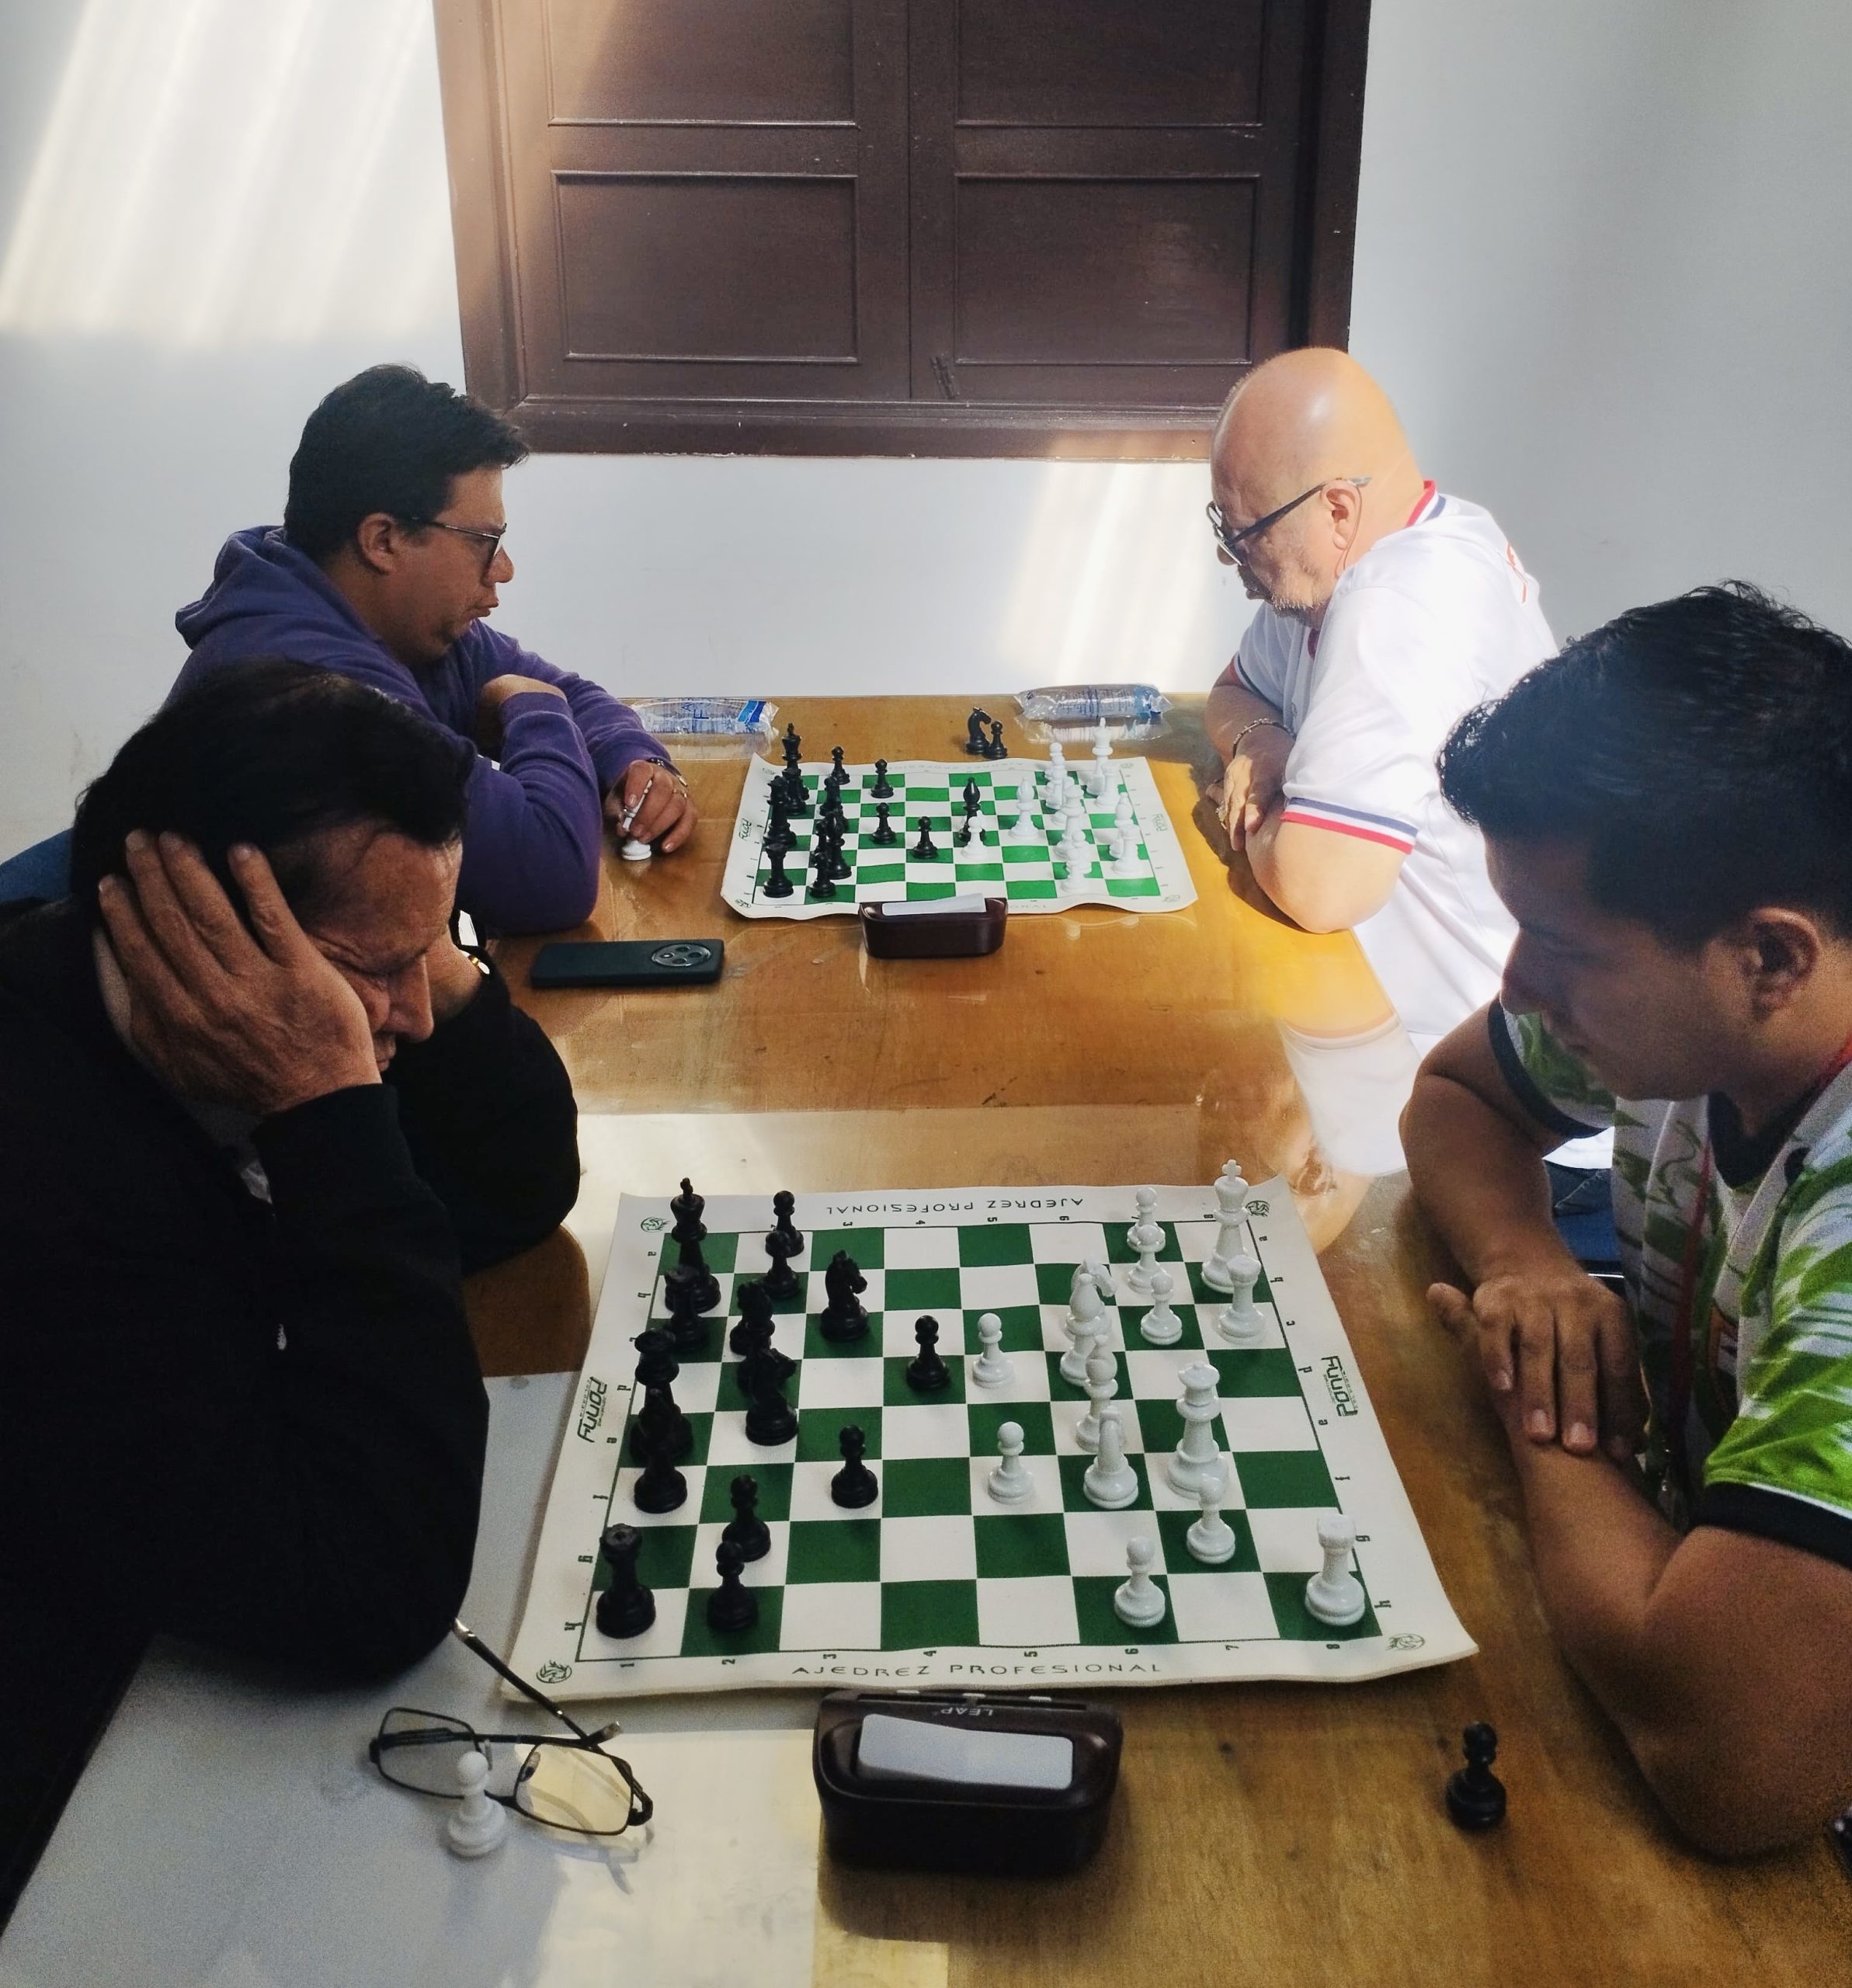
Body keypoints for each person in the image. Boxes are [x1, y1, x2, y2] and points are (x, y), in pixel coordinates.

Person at [0, 662, 580, 1902]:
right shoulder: (42, 1175)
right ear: (203, 942)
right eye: (373, 968)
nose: (413, 1015)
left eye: (432, 954)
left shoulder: (208, 1017)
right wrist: (326, 1105)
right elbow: (370, 1585)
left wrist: (413, 952)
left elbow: (521, 1186)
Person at [1402, 584, 1852, 1854]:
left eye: (1560, 946)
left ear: (1771, 958)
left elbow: (1732, 1764)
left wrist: (1540, 1399)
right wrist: (1529, 1267)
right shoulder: (1698, 1019)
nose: (1515, 986)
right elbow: (1455, 1098)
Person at [171, 364, 696, 934]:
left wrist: (634, 761)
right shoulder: (309, 696)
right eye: (485, 542)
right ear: (383, 541)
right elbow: (552, 879)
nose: (504, 569)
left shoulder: (391, 623)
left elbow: (575, 694)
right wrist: (533, 703)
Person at [1204, 348, 1556, 1055]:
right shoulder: (1337, 568)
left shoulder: (1396, 602)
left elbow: (1318, 890)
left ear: (1337, 510)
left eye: (1244, 536)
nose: (1228, 558)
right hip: (1386, 1016)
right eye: (1222, 528)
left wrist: (1251, 806)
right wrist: (1264, 745)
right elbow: (1230, 693)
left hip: (1469, 1067)